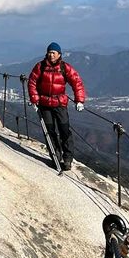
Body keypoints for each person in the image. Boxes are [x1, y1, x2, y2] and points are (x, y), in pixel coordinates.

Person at [28, 42, 86, 170]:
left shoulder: (65, 68)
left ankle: (67, 158)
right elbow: (32, 81)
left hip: (60, 104)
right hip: (44, 104)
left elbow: (77, 82)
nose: (51, 55)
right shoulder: (40, 67)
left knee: (64, 130)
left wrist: (80, 100)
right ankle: (55, 156)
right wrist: (34, 98)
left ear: (59, 54)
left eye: (53, 53)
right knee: (49, 131)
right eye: (49, 52)